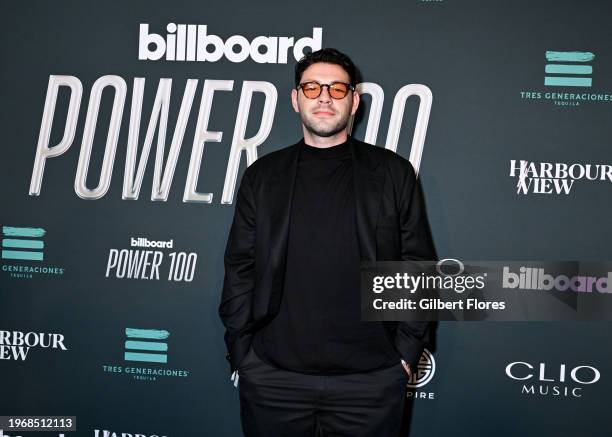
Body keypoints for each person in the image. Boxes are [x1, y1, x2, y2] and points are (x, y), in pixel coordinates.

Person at [219, 47, 436, 437]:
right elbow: (240, 266)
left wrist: (405, 353)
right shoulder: (263, 176)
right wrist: (242, 351)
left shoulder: (393, 174)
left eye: (337, 89)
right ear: (295, 98)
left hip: (370, 380)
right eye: (312, 87)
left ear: (354, 101)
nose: (323, 97)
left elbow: (417, 266)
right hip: (273, 378)